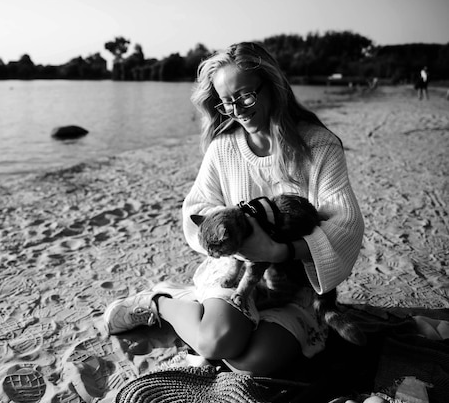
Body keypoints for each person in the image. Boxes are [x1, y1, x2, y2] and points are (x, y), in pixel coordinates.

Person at [103, 42, 364, 375]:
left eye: (245, 96)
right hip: (237, 272)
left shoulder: (319, 146)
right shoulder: (224, 148)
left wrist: (278, 250)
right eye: (226, 102)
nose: (237, 110)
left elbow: (345, 224)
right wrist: (241, 241)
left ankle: (190, 326)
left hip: (298, 282)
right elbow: (196, 209)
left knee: (250, 362)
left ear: (273, 86)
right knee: (217, 344)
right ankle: (162, 303)